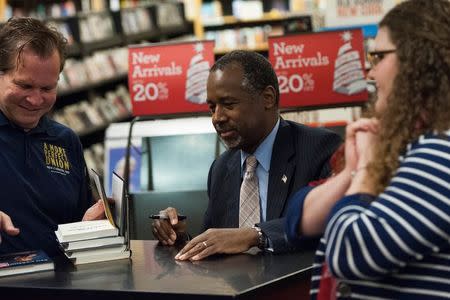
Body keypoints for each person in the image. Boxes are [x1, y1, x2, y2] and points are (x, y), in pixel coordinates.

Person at [287, 0, 450, 298]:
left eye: (378, 57)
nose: (370, 74)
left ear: (418, 60)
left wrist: (365, 172)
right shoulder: (414, 146)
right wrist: (354, 170)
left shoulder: (439, 155)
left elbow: (348, 251)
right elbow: (297, 220)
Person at [152, 50, 342, 261]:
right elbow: (218, 243)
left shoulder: (320, 149)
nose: (217, 118)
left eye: (229, 104)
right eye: (212, 108)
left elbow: (333, 221)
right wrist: (180, 238)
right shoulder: (221, 169)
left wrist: (256, 235)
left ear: (267, 98)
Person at [0, 17, 105, 258]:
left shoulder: (65, 140)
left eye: (47, 89)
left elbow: (77, 223)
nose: (36, 100)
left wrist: (93, 222)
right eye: (24, 86)